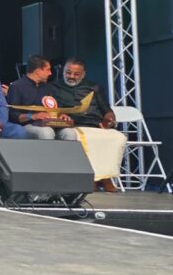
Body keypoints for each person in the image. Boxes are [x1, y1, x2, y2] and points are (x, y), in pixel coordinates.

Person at [54, 58, 126, 192]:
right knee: (86, 138)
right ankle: (92, 178)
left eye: (76, 74)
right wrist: (60, 115)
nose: (71, 76)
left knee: (117, 137)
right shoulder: (54, 87)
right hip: (73, 125)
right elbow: (51, 109)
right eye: (68, 72)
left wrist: (110, 118)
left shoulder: (94, 87)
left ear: (83, 74)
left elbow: (107, 110)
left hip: (95, 125)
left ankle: (106, 177)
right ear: (63, 71)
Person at [7, 54, 76, 141]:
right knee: (46, 132)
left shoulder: (49, 88)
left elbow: (57, 108)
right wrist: (33, 116)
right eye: (48, 69)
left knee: (69, 133)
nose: (50, 73)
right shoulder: (17, 86)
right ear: (38, 71)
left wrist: (61, 115)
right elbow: (12, 115)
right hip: (27, 125)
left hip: (51, 123)